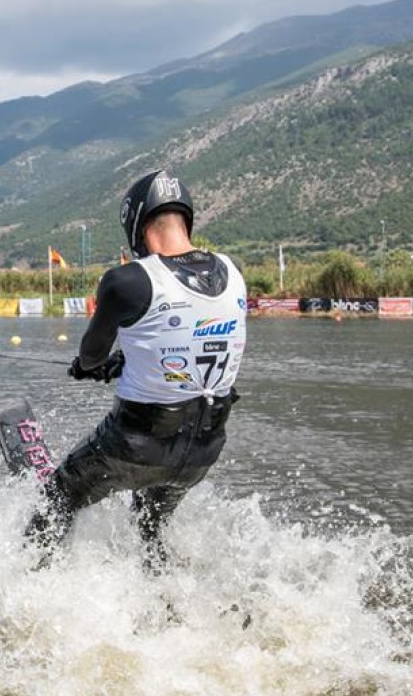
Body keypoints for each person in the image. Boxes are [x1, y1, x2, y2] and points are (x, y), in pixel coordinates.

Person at [27, 169, 248, 570]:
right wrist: (128, 360)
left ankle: (24, 585)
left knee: (57, 500)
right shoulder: (233, 273)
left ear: (136, 224)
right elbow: (188, 341)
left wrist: (92, 366)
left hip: (132, 447)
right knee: (151, 529)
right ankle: (166, 605)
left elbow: (91, 356)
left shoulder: (126, 281)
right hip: (202, 450)